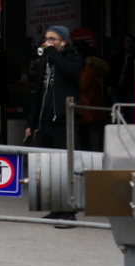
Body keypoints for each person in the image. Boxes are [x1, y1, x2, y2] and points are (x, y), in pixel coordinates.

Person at [25, 25, 84, 223]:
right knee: (48, 169)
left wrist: (52, 53)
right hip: (45, 122)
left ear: (63, 42)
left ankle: (69, 211)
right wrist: (31, 123)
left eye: (52, 39)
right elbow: (39, 95)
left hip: (63, 122)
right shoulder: (47, 63)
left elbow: (69, 72)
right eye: (46, 39)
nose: (47, 42)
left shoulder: (73, 59)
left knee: (65, 168)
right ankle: (55, 207)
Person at [76, 41, 111, 152]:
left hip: (88, 105)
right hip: (93, 103)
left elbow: (83, 85)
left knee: (86, 135)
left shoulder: (89, 66)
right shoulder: (92, 65)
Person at [106, 33, 135, 124]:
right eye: (127, 41)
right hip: (116, 86)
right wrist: (110, 85)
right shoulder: (117, 55)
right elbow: (111, 71)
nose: (129, 43)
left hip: (128, 87)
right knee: (117, 109)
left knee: (133, 109)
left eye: (131, 41)